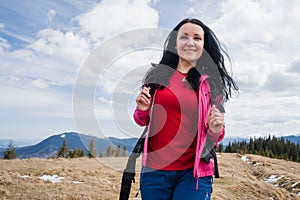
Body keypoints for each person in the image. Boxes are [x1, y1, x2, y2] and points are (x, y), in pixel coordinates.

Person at [133, 18, 238, 200]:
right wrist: (142, 109)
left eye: (197, 38)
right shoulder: (156, 77)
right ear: (175, 43)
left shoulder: (211, 84)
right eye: (184, 37)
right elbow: (142, 120)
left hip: (194, 173)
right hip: (154, 171)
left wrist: (216, 129)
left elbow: (215, 135)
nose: (190, 42)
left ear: (204, 45)